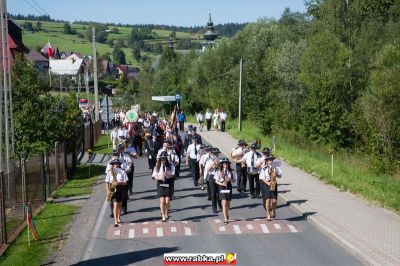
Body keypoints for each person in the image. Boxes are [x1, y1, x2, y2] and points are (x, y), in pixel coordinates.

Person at [152, 151, 175, 222]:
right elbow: (153, 176)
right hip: (160, 183)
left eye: (164, 159)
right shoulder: (157, 165)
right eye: (161, 159)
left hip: (168, 183)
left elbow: (173, 174)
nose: (163, 160)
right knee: (162, 201)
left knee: (167, 201)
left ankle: (166, 212)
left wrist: (167, 174)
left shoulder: (170, 165)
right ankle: (162, 215)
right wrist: (159, 177)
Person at [105, 159, 128, 227]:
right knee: (115, 204)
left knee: (119, 204)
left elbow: (126, 182)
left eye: (117, 163)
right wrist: (107, 190)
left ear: (119, 164)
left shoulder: (122, 171)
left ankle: (118, 217)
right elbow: (106, 182)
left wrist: (119, 183)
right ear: (112, 165)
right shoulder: (110, 172)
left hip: (121, 188)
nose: (116, 165)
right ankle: (115, 221)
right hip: (113, 188)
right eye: (114, 164)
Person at [259, 155, 282, 221]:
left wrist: (276, 174)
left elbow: (280, 176)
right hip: (267, 184)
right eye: (269, 160)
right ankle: (268, 214)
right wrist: (267, 183)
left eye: (271, 160)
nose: (270, 161)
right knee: (268, 200)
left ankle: (273, 210)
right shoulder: (264, 168)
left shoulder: (275, 167)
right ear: (267, 161)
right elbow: (262, 178)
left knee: (274, 201)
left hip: (273, 183)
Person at [214, 158, 236, 224]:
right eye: (224, 163)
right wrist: (222, 183)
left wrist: (230, 179)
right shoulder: (219, 171)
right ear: (222, 164)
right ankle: (225, 218)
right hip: (222, 187)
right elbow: (216, 181)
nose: (225, 164)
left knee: (228, 204)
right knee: (224, 203)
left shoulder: (232, 171)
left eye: (227, 163)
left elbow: (234, 181)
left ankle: (227, 213)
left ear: (228, 164)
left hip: (228, 186)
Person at [205, 148, 222, 213]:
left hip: (219, 177)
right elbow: (208, 169)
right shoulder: (209, 160)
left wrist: (218, 164)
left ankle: (220, 204)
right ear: (212, 154)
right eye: (214, 153)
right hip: (212, 176)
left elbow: (222, 169)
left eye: (217, 153)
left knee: (220, 192)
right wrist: (213, 163)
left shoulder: (221, 160)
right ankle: (214, 207)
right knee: (213, 193)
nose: (216, 155)